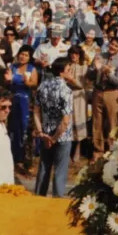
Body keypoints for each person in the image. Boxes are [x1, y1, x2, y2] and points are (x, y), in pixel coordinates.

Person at [33, 57, 73, 198]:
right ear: (63, 72)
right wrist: (54, 138)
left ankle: (38, 197)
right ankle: (57, 200)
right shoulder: (66, 90)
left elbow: (36, 111)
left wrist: (41, 133)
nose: (70, 72)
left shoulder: (42, 86)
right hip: (62, 135)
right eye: (69, 69)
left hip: (45, 131)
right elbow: (65, 119)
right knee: (60, 170)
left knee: (44, 167)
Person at [4, 45, 38, 168]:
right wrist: (8, 80)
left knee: (25, 128)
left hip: (26, 101)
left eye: (26, 55)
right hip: (13, 100)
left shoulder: (31, 69)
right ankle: (13, 156)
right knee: (13, 128)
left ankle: (26, 158)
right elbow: (7, 83)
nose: (23, 57)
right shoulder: (12, 67)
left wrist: (26, 82)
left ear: (30, 57)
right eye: (21, 54)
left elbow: (34, 85)